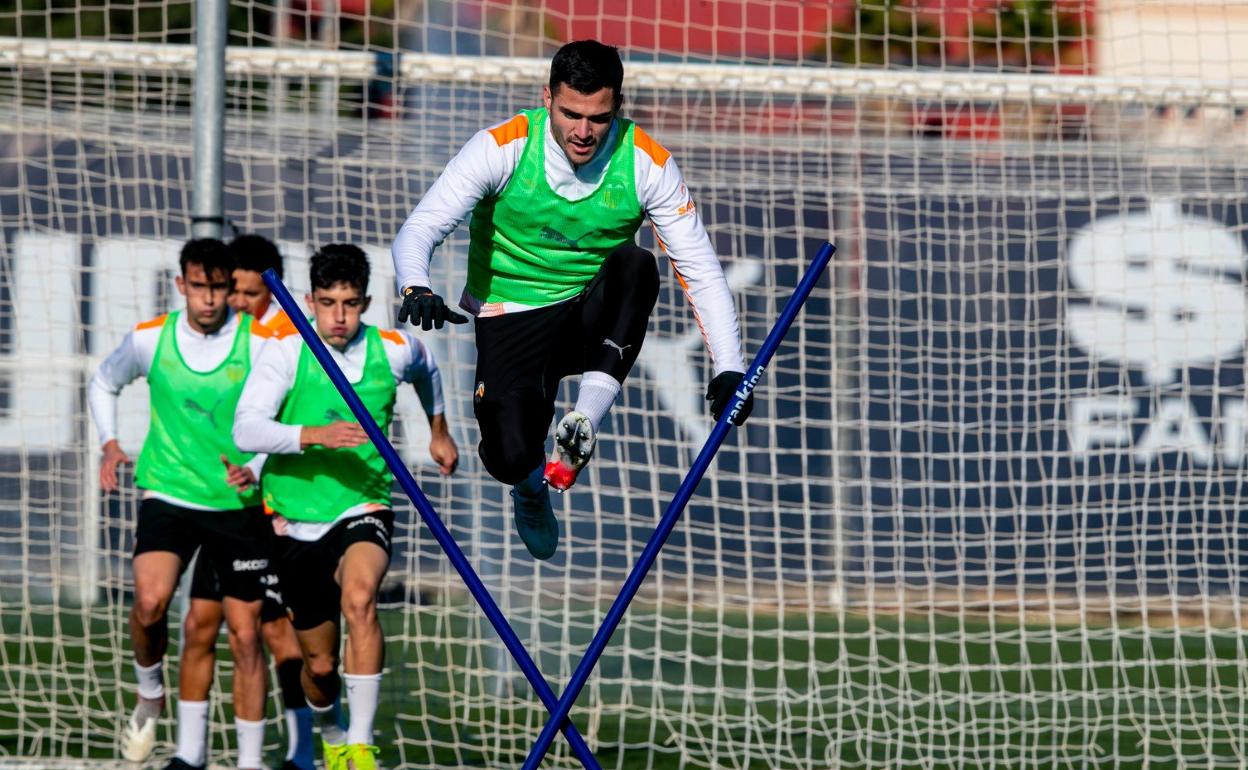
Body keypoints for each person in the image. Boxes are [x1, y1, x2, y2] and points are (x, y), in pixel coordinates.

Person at [391, 39, 754, 561]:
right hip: (510, 315)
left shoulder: (648, 163)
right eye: (571, 114)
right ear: (547, 98)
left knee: (636, 264)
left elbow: (701, 270)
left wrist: (729, 367)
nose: (583, 132)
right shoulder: (503, 146)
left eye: (598, 117)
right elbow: (421, 228)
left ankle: (583, 420)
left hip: (589, 317)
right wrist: (415, 285)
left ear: (618, 107)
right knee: (508, 456)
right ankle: (532, 487)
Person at [233, 244, 458, 770]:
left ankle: (360, 744)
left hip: (364, 504)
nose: (339, 317)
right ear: (309, 300)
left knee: (360, 600)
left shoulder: (395, 349)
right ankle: (333, 729)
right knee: (319, 666)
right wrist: (313, 435)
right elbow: (245, 430)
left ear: (365, 302)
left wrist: (438, 433)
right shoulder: (287, 352)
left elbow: (429, 370)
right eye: (329, 303)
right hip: (293, 518)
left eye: (352, 304)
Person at [89, 238, 276, 769]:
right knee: (150, 603)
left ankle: (249, 762)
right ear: (182, 286)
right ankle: (150, 693)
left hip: (235, 504)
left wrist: (257, 468)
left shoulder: (259, 343)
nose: (211, 299)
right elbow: (103, 382)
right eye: (200, 286)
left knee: (244, 635)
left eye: (219, 287)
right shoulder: (152, 339)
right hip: (167, 493)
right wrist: (108, 442)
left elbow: (282, 409)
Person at [175, 234, 314, 770]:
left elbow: (284, 425)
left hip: (274, 509)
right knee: (200, 622)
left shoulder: (286, 337)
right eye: (232, 291)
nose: (235, 301)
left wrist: (255, 471)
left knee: (277, 630)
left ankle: (306, 750)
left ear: (274, 287)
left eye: (248, 293)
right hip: (226, 508)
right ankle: (190, 755)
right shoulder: (235, 332)